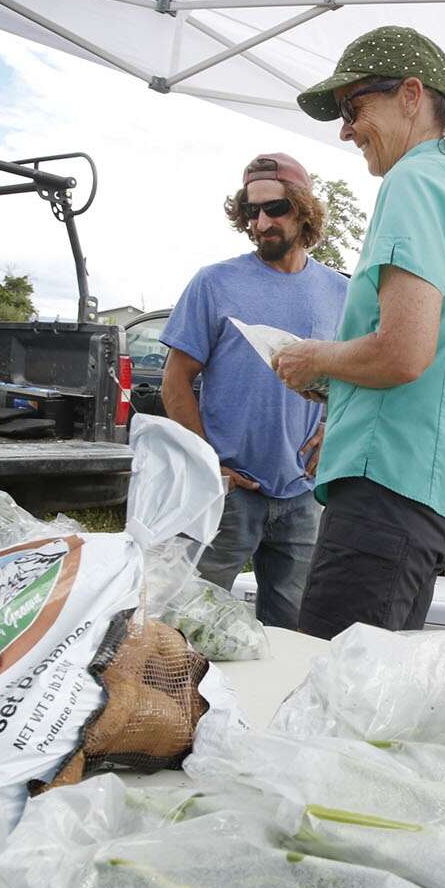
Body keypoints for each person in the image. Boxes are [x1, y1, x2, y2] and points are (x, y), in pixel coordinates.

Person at [273, 26, 445, 639]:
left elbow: (404, 352)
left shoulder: (415, 182)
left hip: (389, 484)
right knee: (373, 694)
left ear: (412, 95)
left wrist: (314, 359)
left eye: (353, 107)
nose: (345, 129)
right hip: (431, 487)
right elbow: (438, 356)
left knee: (334, 696)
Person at [159, 153, 348, 628]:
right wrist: (209, 465)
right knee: (187, 628)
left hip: (303, 494)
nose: (261, 222)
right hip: (228, 492)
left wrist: (332, 428)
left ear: (304, 210)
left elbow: (352, 378)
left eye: (275, 208)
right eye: (251, 211)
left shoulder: (340, 291)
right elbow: (174, 381)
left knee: (292, 633)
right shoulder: (215, 283)